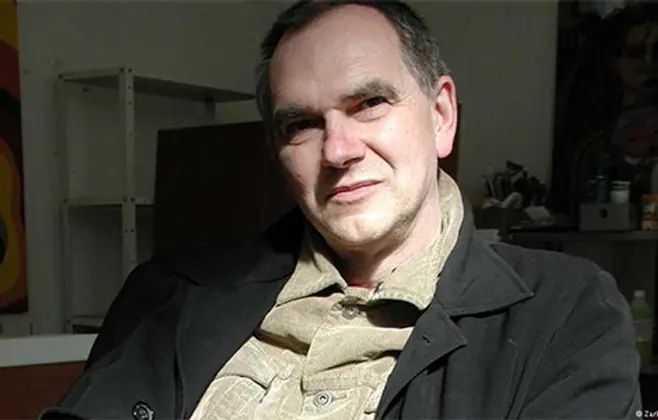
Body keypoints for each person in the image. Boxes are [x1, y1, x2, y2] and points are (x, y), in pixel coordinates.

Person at [41, 1, 641, 419]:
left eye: (370, 103)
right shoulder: (165, 296)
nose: (338, 151)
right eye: (301, 124)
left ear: (441, 116)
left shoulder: (567, 311)